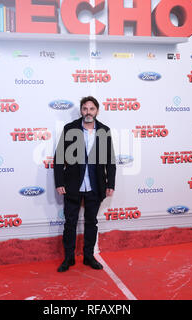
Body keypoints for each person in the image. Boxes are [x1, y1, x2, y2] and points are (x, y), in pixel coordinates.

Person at [54, 96, 116, 272]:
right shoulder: (70, 129)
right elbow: (59, 158)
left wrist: (110, 183)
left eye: (92, 109)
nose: (88, 112)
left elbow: (110, 160)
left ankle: (89, 257)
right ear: (81, 110)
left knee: (91, 223)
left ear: (97, 111)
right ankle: (69, 258)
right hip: (72, 184)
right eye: (85, 109)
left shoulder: (104, 131)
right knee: (70, 223)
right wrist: (59, 182)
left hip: (96, 185)